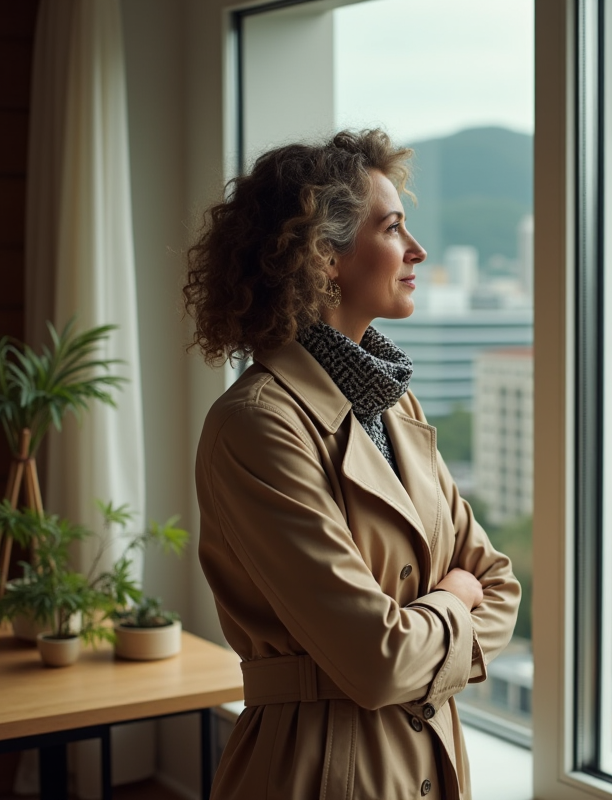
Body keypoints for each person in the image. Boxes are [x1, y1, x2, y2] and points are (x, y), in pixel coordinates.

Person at [183, 129, 521, 800]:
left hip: (430, 756)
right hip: (316, 771)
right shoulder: (256, 425)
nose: (418, 251)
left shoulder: (395, 405)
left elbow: (501, 584)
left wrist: (429, 622)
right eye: (394, 228)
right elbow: (377, 662)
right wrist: (453, 596)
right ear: (323, 257)